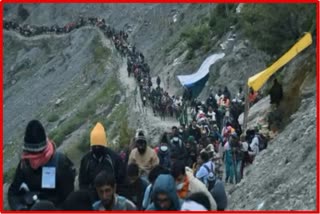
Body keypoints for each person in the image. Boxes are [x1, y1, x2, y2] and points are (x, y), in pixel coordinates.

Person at [8, 120, 75, 210]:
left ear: (43, 151)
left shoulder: (61, 163)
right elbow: (13, 194)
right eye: (29, 155)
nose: (32, 161)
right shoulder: (24, 164)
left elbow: (69, 200)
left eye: (36, 157)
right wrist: (20, 208)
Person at [78, 122, 125, 192]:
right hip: (92, 196)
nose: (97, 148)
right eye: (95, 146)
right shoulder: (86, 160)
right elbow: (82, 182)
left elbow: (121, 180)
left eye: (99, 146)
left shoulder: (114, 159)